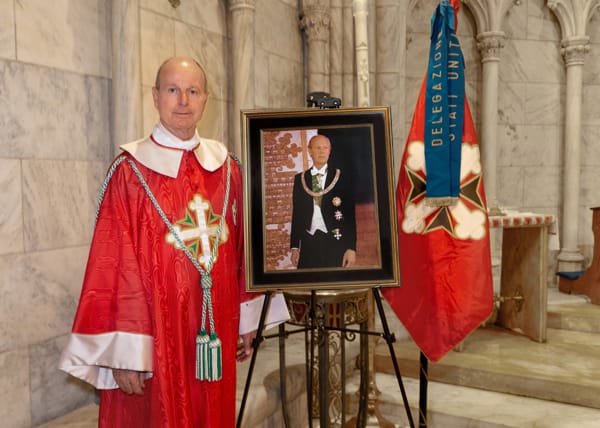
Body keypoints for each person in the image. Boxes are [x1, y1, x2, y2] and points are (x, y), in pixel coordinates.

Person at [59, 57, 289, 427]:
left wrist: (249, 318)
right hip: (154, 339)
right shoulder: (129, 171)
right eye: (172, 90)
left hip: (213, 328)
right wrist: (124, 353)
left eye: (192, 91)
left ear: (206, 99)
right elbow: (113, 264)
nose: (183, 100)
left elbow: (244, 250)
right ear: (155, 96)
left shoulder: (227, 168)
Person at [289, 134, 357, 268]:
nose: (322, 152)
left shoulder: (341, 177)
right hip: (309, 243)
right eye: (317, 148)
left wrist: (351, 248)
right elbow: (297, 214)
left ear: (330, 151)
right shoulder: (300, 179)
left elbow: (350, 216)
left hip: (336, 242)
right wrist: (295, 246)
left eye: (325, 148)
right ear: (310, 151)